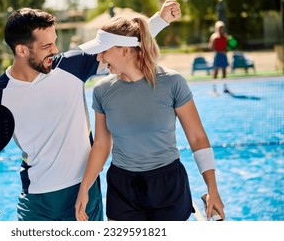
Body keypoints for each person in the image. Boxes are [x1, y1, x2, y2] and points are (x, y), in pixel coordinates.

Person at [0, 0, 181, 221]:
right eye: (46, 46)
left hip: (83, 191)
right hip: (35, 200)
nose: (55, 50)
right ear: (21, 50)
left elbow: (123, 44)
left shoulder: (71, 65)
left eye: (54, 42)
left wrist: (162, 19)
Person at [75, 14, 225, 221]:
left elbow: (197, 138)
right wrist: (84, 187)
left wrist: (212, 189)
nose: (99, 58)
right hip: (122, 186)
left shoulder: (173, 82)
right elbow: (101, 144)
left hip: (168, 184)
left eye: (104, 51)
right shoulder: (102, 90)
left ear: (125, 50)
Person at [208, 20, 230, 93]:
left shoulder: (226, 36)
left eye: (223, 27)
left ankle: (225, 88)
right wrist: (220, 51)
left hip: (224, 56)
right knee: (216, 72)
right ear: (217, 28)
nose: (222, 29)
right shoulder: (214, 37)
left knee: (224, 72)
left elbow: (229, 46)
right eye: (220, 27)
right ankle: (214, 89)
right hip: (217, 56)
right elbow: (211, 47)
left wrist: (227, 49)